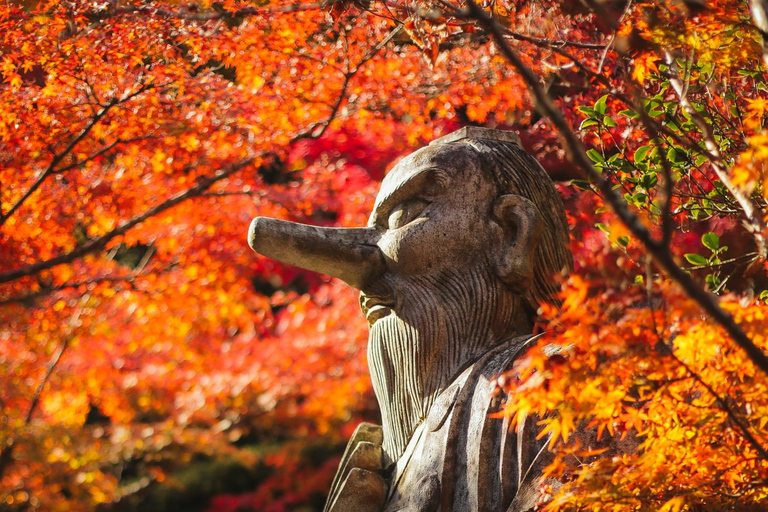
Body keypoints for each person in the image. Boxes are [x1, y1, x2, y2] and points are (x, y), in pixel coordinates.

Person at [248, 127, 573, 511]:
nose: (357, 271)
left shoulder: (560, 383)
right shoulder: (392, 457)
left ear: (513, 233)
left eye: (403, 216)